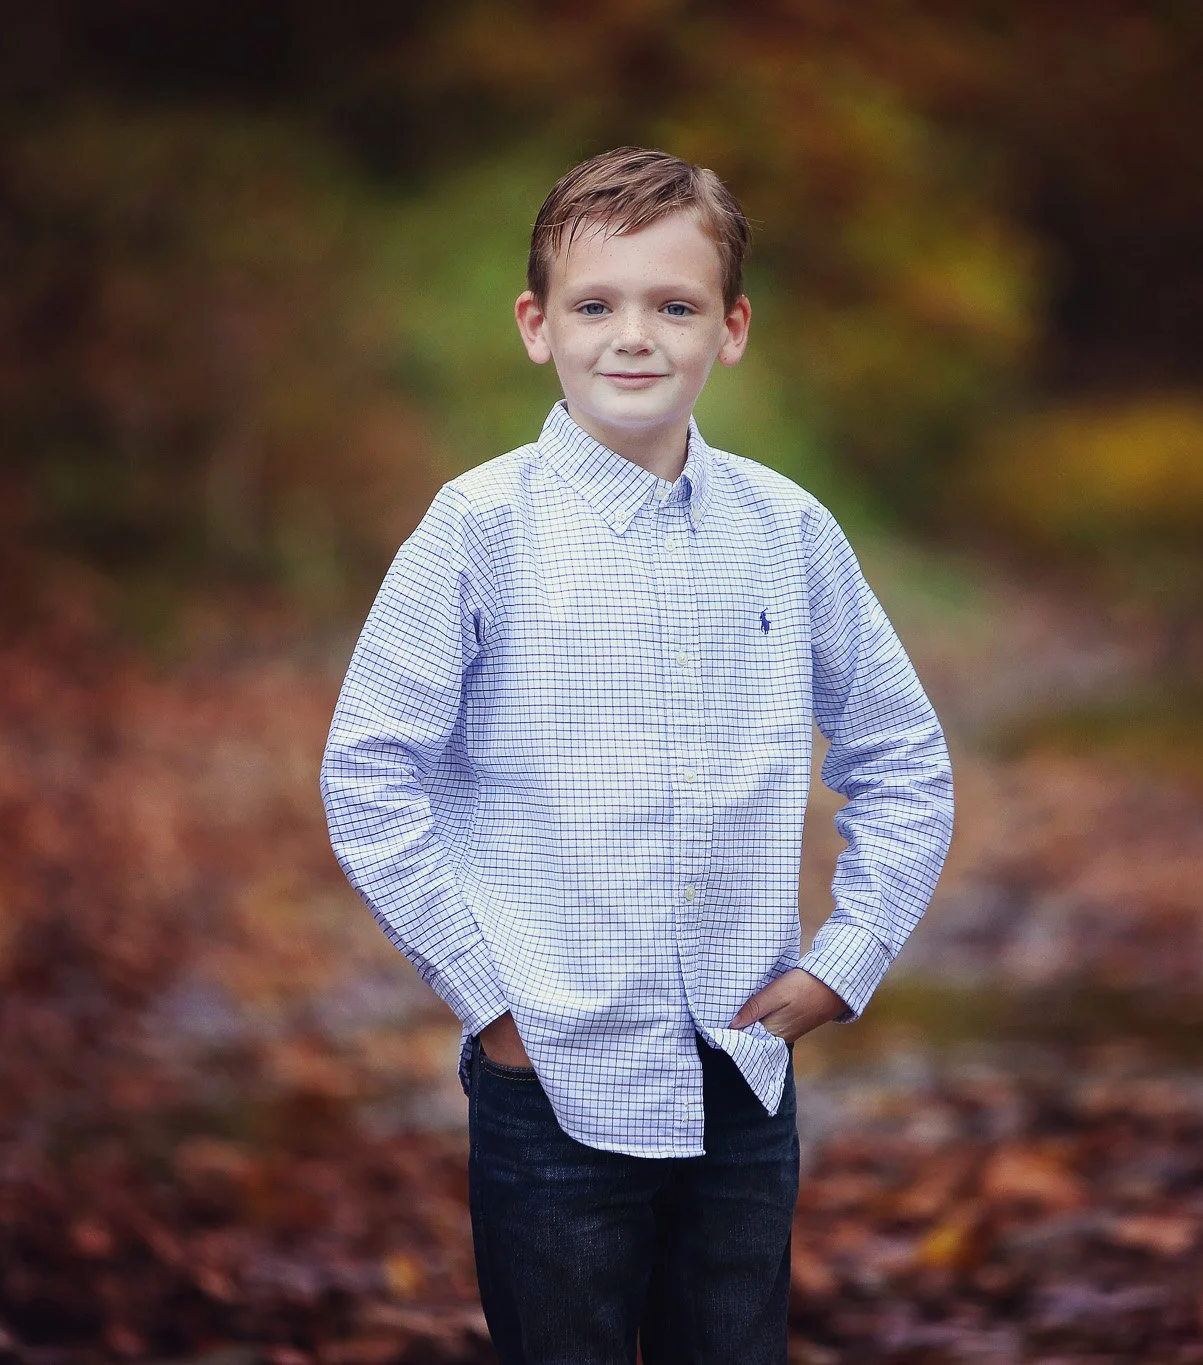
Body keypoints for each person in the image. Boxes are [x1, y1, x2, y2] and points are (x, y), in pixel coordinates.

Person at [320, 146, 953, 1364]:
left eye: (674, 306)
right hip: (548, 1079)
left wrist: (846, 959)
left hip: (741, 1072)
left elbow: (899, 754)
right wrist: (490, 1000)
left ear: (730, 329)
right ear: (535, 325)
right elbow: (367, 773)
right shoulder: (476, 529)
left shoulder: (788, 531)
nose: (633, 338)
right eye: (595, 305)